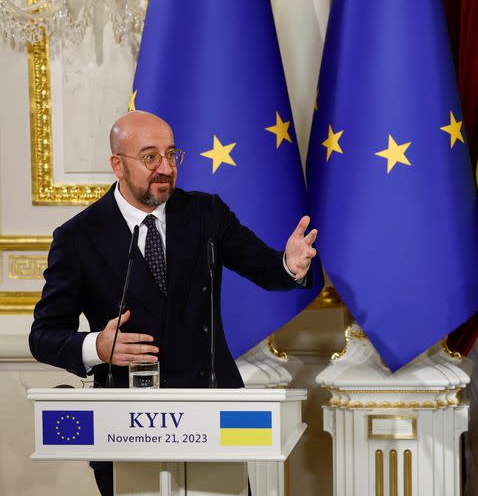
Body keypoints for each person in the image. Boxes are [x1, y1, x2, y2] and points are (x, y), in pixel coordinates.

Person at [29, 111, 317, 495]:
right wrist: (95, 346)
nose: (165, 167)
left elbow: (265, 268)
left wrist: (289, 263)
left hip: (211, 420)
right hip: (126, 428)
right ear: (118, 164)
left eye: (171, 155)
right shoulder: (78, 237)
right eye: (150, 157)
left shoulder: (205, 214)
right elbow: (43, 335)